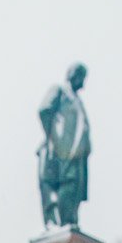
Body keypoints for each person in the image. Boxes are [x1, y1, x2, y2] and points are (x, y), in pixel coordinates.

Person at [37, 62, 91, 227]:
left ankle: (69, 220)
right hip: (60, 151)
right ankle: (57, 223)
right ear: (73, 75)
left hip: (76, 155)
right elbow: (45, 110)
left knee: (73, 186)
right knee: (58, 184)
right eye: (81, 77)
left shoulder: (78, 101)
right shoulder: (60, 91)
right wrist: (52, 139)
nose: (83, 83)